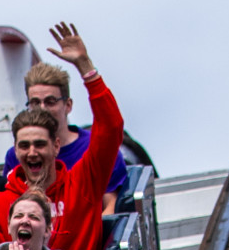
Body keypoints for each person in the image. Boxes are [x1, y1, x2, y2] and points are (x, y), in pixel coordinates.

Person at [0, 24, 124, 250]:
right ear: (15, 151)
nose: (32, 152)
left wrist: (86, 68)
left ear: (56, 146)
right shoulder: (0, 204)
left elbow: (111, 128)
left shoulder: (81, 185)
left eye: (40, 144)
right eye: (24, 146)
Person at [8, 59, 135, 219]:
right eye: (35, 103)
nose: (42, 109)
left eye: (50, 102)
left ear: (68, 105)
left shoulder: (91, 148)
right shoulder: (17, 155)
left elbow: (111, 205)